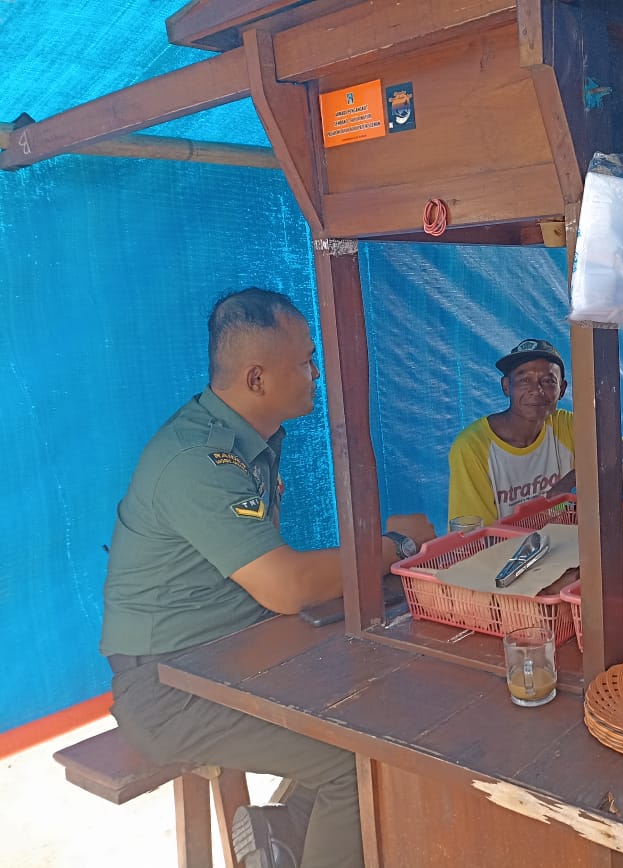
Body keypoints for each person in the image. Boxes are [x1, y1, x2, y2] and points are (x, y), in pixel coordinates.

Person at [100, 287, 436, 868]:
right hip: (166, 687)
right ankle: (293, 834)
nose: (316, 374)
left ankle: (282, 833)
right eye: (306, 361)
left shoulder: (246, 441)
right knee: (353, 763)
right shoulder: (197, 461)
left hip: (233, 654)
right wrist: (396, 546)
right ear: (256, 378)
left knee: (380, 701)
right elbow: (288, 586)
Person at [447, 338, 623, 525]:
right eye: (524, 380)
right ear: (506, 387)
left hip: (570, 541)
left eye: (548, 381)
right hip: (507, 545)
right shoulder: (472, 446)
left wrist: (574, 478)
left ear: (562, 389)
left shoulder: (566, 424)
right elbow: (473, 534)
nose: (536, 390)